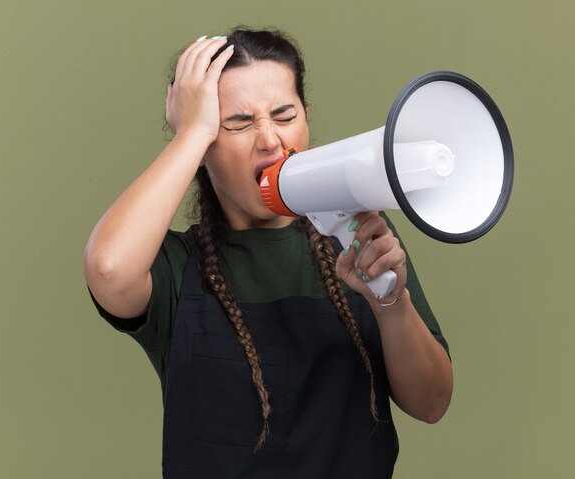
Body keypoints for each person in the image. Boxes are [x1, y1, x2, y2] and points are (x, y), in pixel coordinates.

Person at [83, 28, 453, 479]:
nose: (269, 140)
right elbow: (108, 267)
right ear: (202, 149)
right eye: (237, 123)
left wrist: (390, 303)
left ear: (307, 120)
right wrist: (191, 132)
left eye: (284, 115)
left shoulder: (363, 239)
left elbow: (432, 403)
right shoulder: (178, 269)